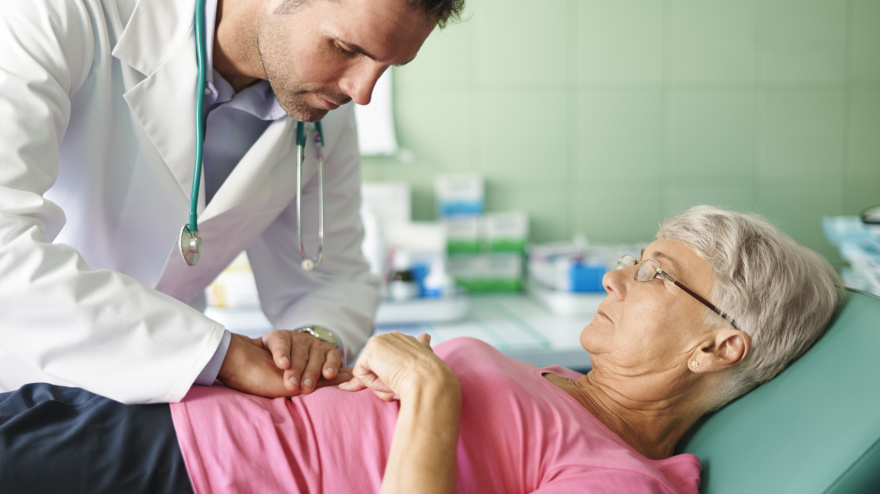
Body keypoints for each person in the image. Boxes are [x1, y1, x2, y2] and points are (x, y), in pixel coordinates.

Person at [0, 206, 845, 493]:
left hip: (184, 470)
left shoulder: (617, 475)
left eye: (655, 272)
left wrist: (431, 392)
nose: (617, 277)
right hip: (155, 412)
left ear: (716, 347)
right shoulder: (567, 388)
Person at [0, 0, 464, 404]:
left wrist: (314, 339)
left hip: (157, 410)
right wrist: (221, 355)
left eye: (386, 67)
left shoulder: (322, 113)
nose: (362, 92)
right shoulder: (62, 13)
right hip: (16, 383)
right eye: (346, 49)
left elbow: (329, 277)